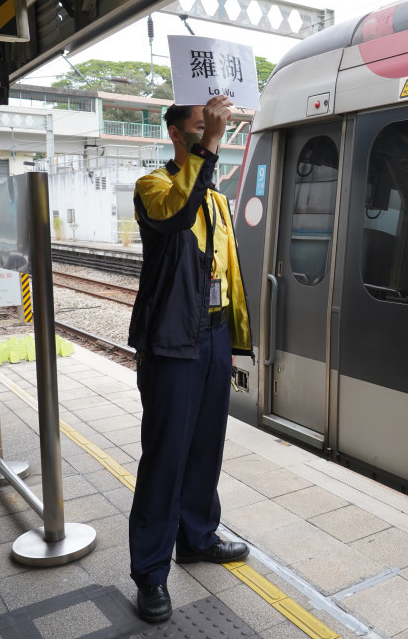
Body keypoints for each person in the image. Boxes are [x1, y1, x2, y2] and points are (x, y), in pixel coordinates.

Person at [127, 95, 254, 623]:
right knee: (165, 456)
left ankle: (197, 537)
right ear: (178, 135)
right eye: (202, 127)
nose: (214, 131)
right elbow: (176, 215)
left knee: (206, 446)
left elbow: (226, 272)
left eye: (215, 125)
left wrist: (239, 338)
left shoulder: (219, 202)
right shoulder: (153, 188)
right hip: (173, 340)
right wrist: (211, 146)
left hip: (214, 335)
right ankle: (151, 573)